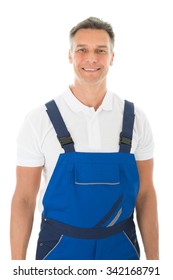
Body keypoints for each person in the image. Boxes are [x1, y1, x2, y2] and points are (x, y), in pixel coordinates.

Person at [10, 17, 159, 260]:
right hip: (58, 251)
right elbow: (24, 199)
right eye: (82, 50)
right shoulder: (39, 119)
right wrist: (16, 268)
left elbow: (145, 194)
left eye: (101, 50)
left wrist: (155, 264)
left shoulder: (136, 119)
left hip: (121, 251)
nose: (91, 58)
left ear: (112, 57)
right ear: (70, 56)